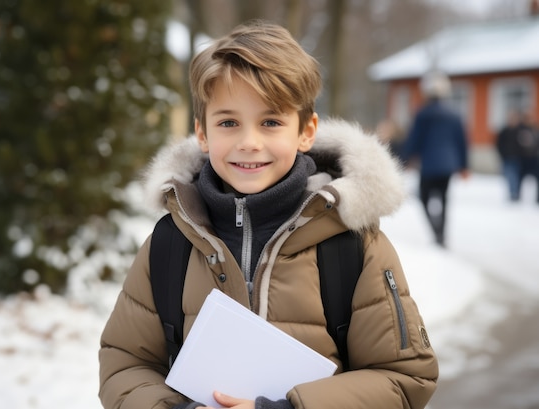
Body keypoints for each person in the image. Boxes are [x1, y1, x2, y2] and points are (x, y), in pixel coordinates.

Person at [99, 21, 438, 409]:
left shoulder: (353, 243)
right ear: (203, 133)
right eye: (228, 123)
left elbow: (405, 378)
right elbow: (125, 363)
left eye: (271, 122)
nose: (249, 143)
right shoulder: (170, 242)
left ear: (306, 131)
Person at [401, 71, 469, 247]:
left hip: (429, 165)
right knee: (444, 199)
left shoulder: (423, 114)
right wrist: (464, 165)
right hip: (448, 165)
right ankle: (442, 235)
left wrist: (405, 159)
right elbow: (462, 141)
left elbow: (415, 139)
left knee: (424, 197)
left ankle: (435, 231)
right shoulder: (454, 115)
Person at [496, 110, 524, 201]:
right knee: (509, 176)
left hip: (518, 158)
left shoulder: (520, 131)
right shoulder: (504, 131)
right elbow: (499, 144)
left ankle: (515, 193)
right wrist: (502, 154)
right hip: (507, 157)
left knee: (516, 176)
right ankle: (512, 193)